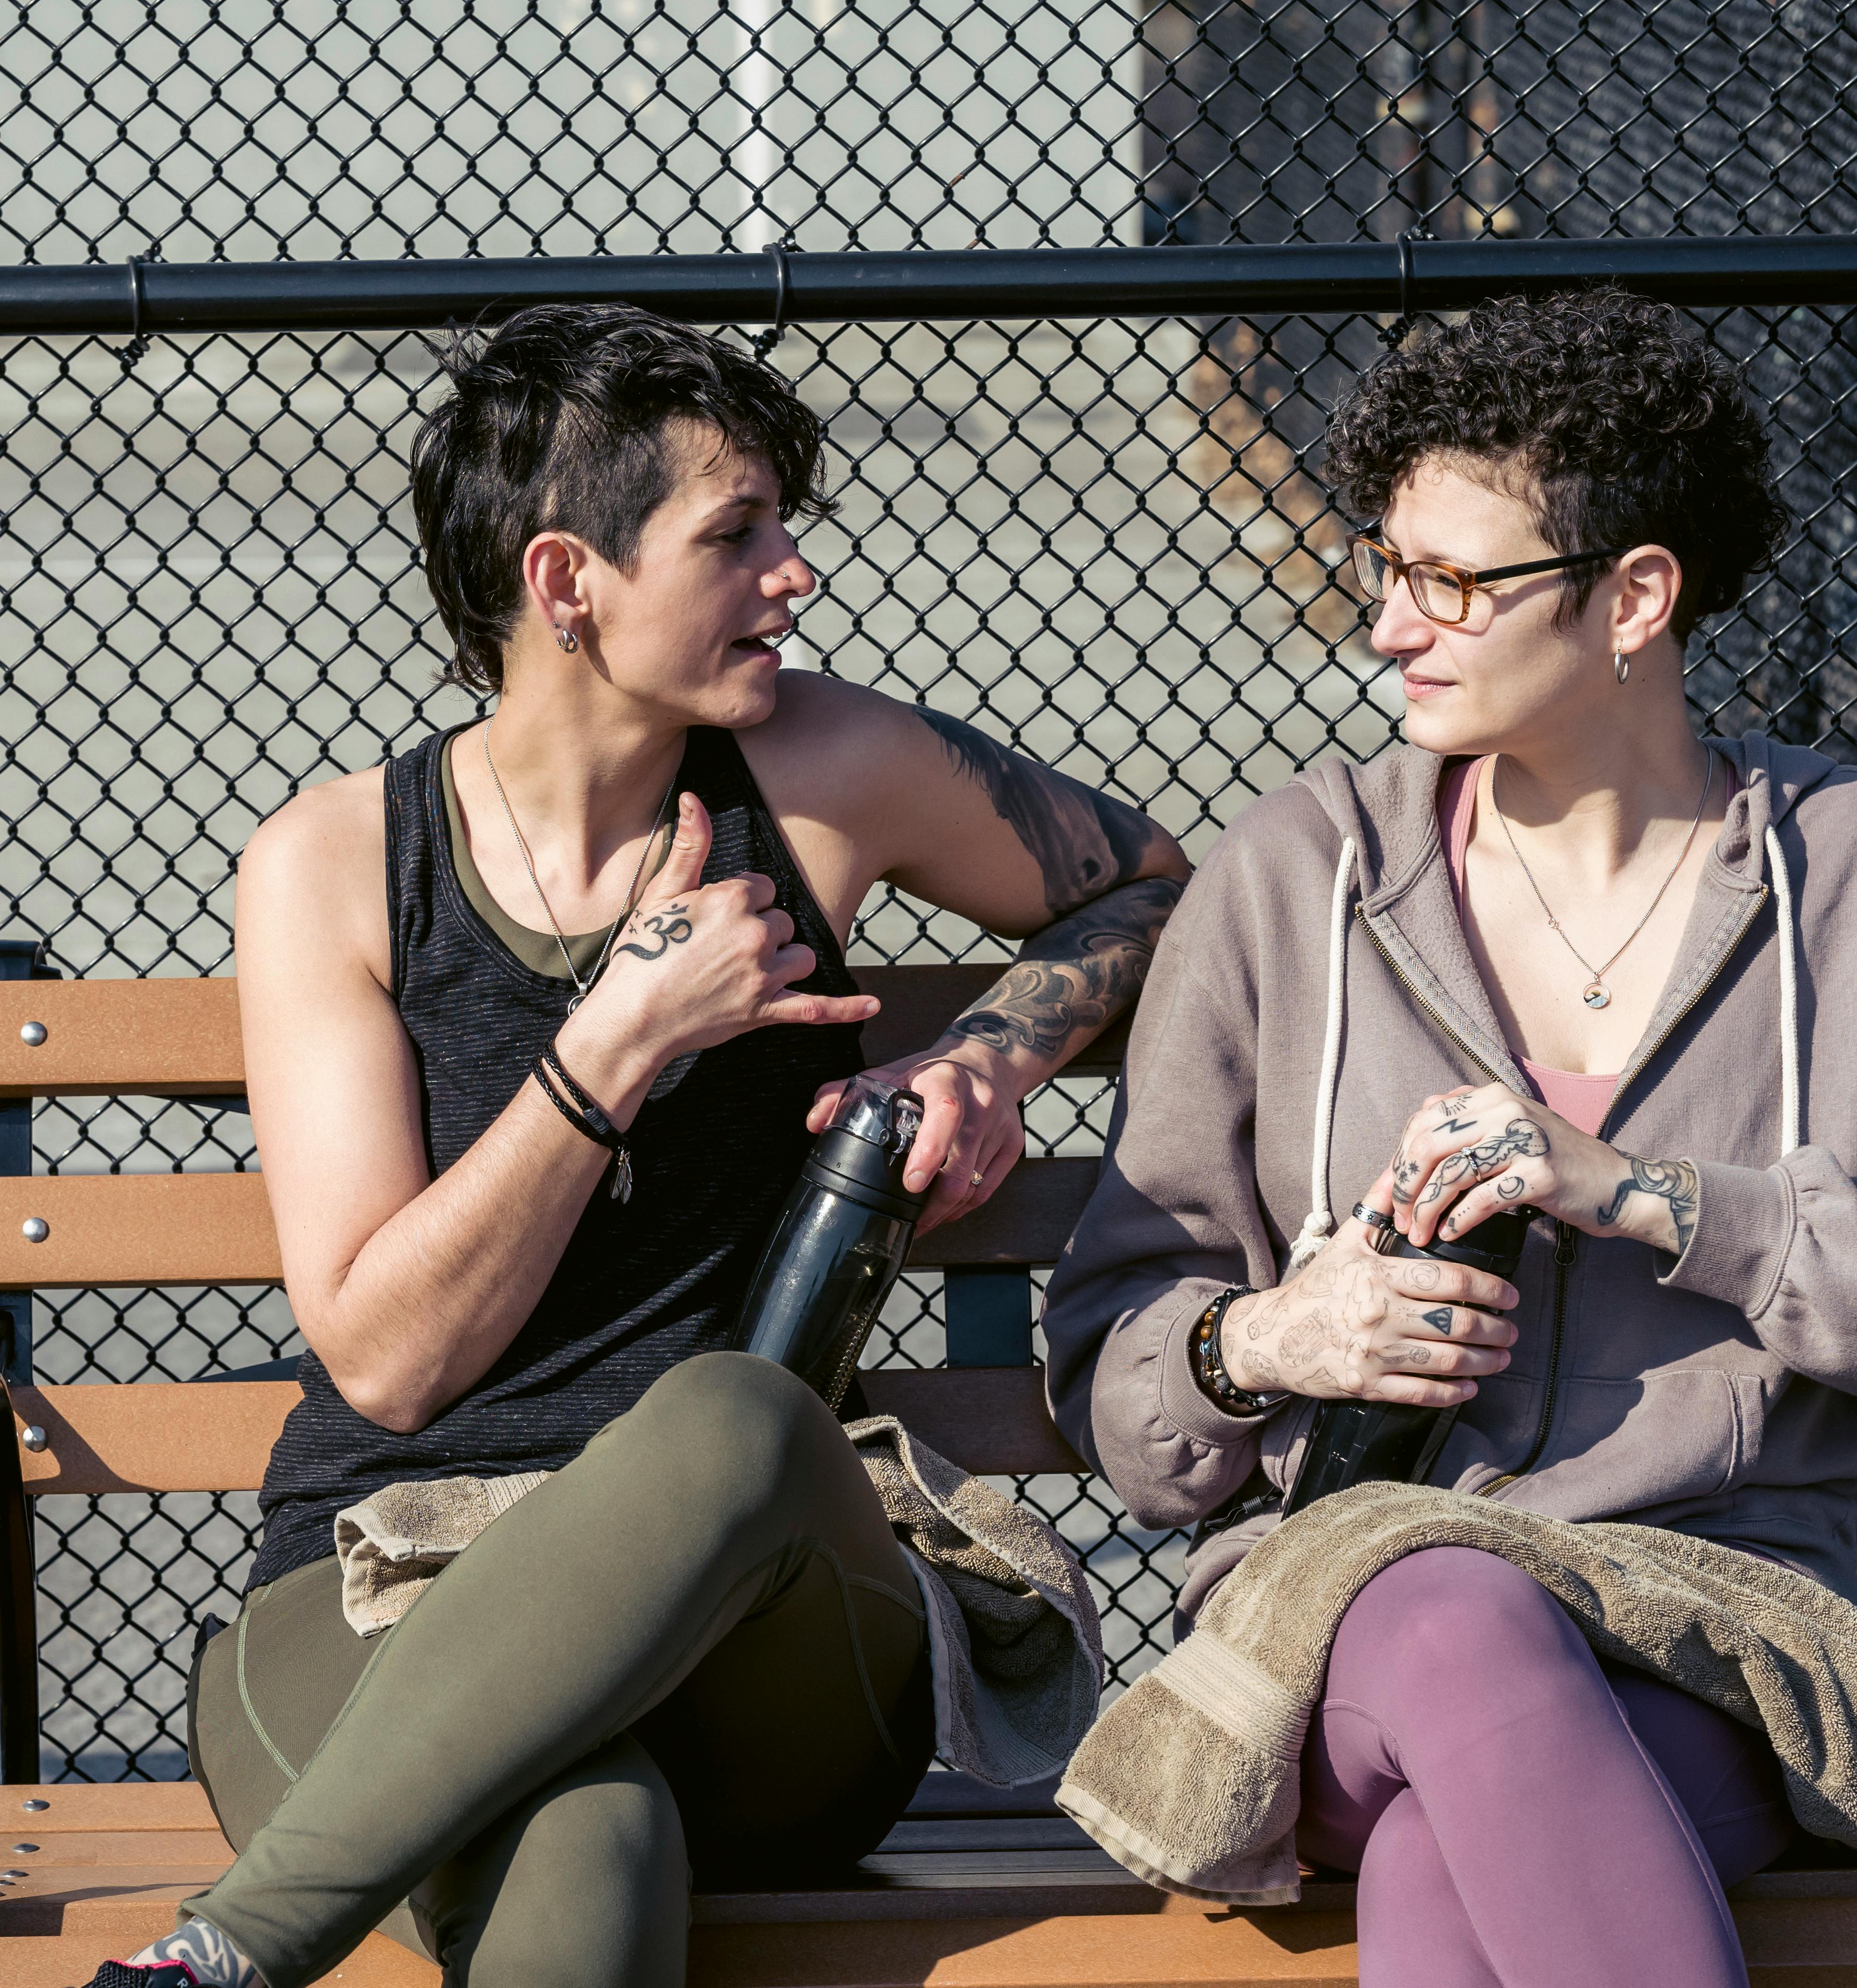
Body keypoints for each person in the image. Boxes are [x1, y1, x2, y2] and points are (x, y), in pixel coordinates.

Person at [89, 302, 1191, 1988]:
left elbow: (1155, 886)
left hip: (763, 1631)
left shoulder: (822, 773)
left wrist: (992, 1045)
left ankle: (228, 1958)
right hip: (379, 1581)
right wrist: (612, 1048)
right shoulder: (332, 867)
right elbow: (388, 1365)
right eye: (734, 537)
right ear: (565, 584)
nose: (794, 575)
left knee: (738, 1415)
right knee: (588, 1827)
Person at [1042, 288, 1857, 1986]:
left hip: (1722, 1635)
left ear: (1634, 597)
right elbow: (1115, 1359)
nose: (1392, 625)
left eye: (1455, 582)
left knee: (1439, 1877)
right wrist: (1268, 1341)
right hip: (1350, 1607)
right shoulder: (1291, 876)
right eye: (1389, 569)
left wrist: (1658, 1199)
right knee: (1462, 1615)